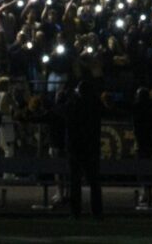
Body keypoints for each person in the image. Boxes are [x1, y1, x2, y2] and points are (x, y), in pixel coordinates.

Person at [60, 81, 103, 218]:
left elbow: (62, 112)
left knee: (75, 181)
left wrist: (65, 97)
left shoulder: (74, 104)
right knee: (94, 182)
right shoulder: (95, 104)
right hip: (91, 147)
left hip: (76, 147)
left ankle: (75, 211)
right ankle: (97, 211)